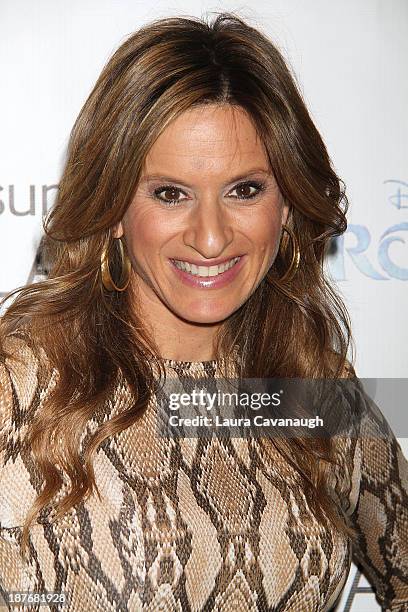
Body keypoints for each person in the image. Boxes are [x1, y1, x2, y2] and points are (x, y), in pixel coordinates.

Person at [0, 12, 407, 612]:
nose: (212, 239)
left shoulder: (314, 395)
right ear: (113, 208)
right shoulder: (19, 386)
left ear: (289, 204)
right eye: (171, 194)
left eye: (246, 189)